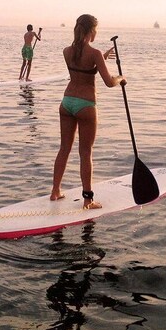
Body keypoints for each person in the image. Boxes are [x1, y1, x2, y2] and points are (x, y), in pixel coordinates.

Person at [50, 14, 125, 210]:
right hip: (85, 105)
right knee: (85, 152)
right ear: (92, 31)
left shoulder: (67, 51)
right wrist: (121, 78)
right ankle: (88, 199)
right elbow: (109, 82)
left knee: (64, 148)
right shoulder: (95, 53)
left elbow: (81, 68)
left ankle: (55, 191)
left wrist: (102, 59)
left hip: (66, 103)